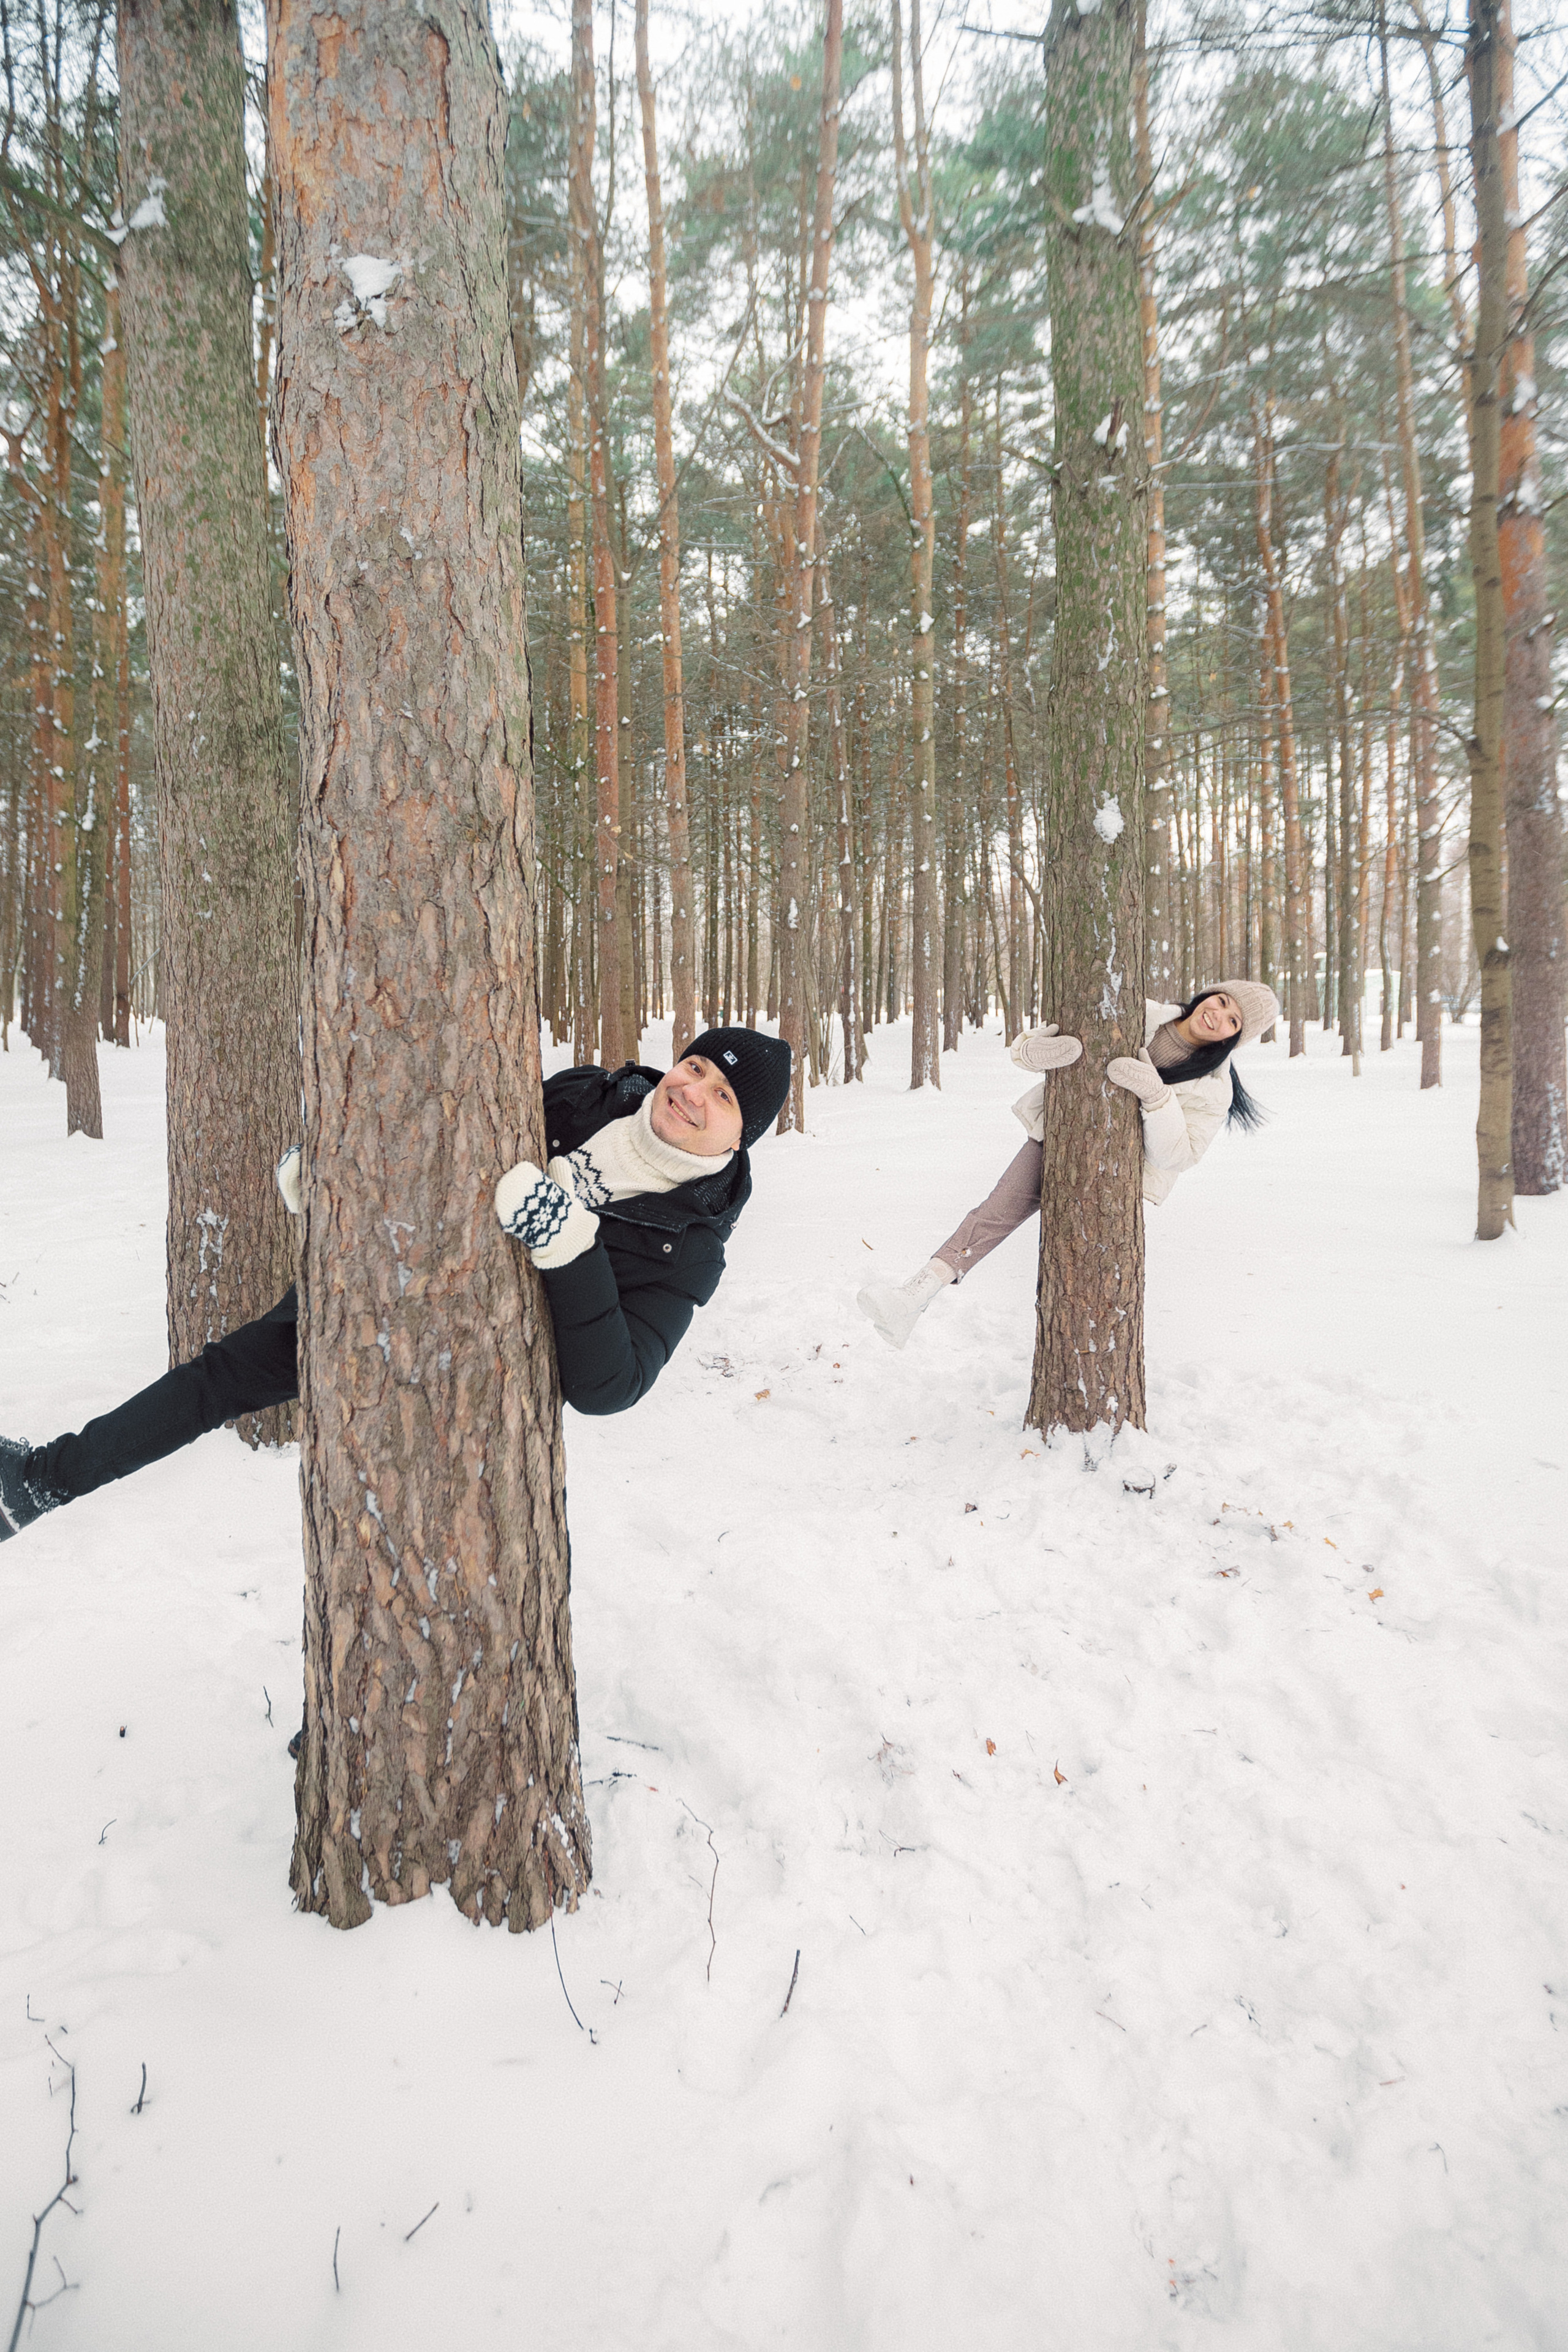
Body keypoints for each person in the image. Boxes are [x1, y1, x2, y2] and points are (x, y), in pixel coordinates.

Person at [0, 1027, 792, 1542]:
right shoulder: (589, 1094)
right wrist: (343, 1179)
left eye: (722, 1098)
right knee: (221, 1378)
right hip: (389, 1279)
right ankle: (42, 1482)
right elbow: (450, 1138)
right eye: (694, 1067)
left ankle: (365, 1735)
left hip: (471, 1385)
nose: (691, 1092)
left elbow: (612, 1385)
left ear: (740, 1136)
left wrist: (567, 1243)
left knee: (395, 1535)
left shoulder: (690, 1246)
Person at [857, 982, 1278, 1349]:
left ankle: (1091, 1350)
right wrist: (1034, 1050)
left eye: (1233, 1021)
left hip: (1122, 1175)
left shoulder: (1213, 1090)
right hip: (1064, 1133)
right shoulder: (1139, 1011)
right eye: (1221, 1001)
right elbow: (1025, 1049)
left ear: (1235, 1038)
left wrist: (1157, 1095)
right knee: (993, 1214)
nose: (1218, 1015)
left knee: (1083, 1265)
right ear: (1207, 994)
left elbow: (1178, 1156)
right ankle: (911, 1298)